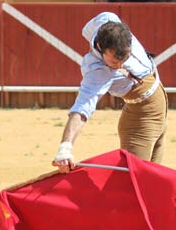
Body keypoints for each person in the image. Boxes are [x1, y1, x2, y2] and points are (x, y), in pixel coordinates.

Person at [52, 12, 168, 172]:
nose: (121, 66)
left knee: (153, 177)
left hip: (157, 109)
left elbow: (87, 30)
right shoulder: (97, 71)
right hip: (142, 119)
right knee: (135, 180)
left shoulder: (108, 19)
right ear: (100, 47)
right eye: (114, 61)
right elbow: (81, 109)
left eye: (125, 59)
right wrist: (65, 147)